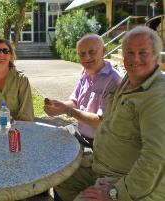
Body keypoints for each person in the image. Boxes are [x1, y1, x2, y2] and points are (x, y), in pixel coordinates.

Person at [55, 26, 165, 201]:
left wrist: (116, 193)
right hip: (100, 164)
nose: (135, 58)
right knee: (61, 179)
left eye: (143, 52)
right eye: (129, 52)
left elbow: (156, 158)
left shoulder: (157, 95)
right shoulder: (128, 80)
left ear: (156, 55)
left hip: (126, 180)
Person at [44, 34, 122, 147]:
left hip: (102, 145)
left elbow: (100, 122)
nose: (86, 57)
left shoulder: (114, 80)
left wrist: (68, 111)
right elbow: (75, 102)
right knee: (50, 140)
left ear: (103, 51)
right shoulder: (86, 73)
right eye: (82, 54)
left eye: (92, 52)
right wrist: (58, 107)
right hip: (82, 136)